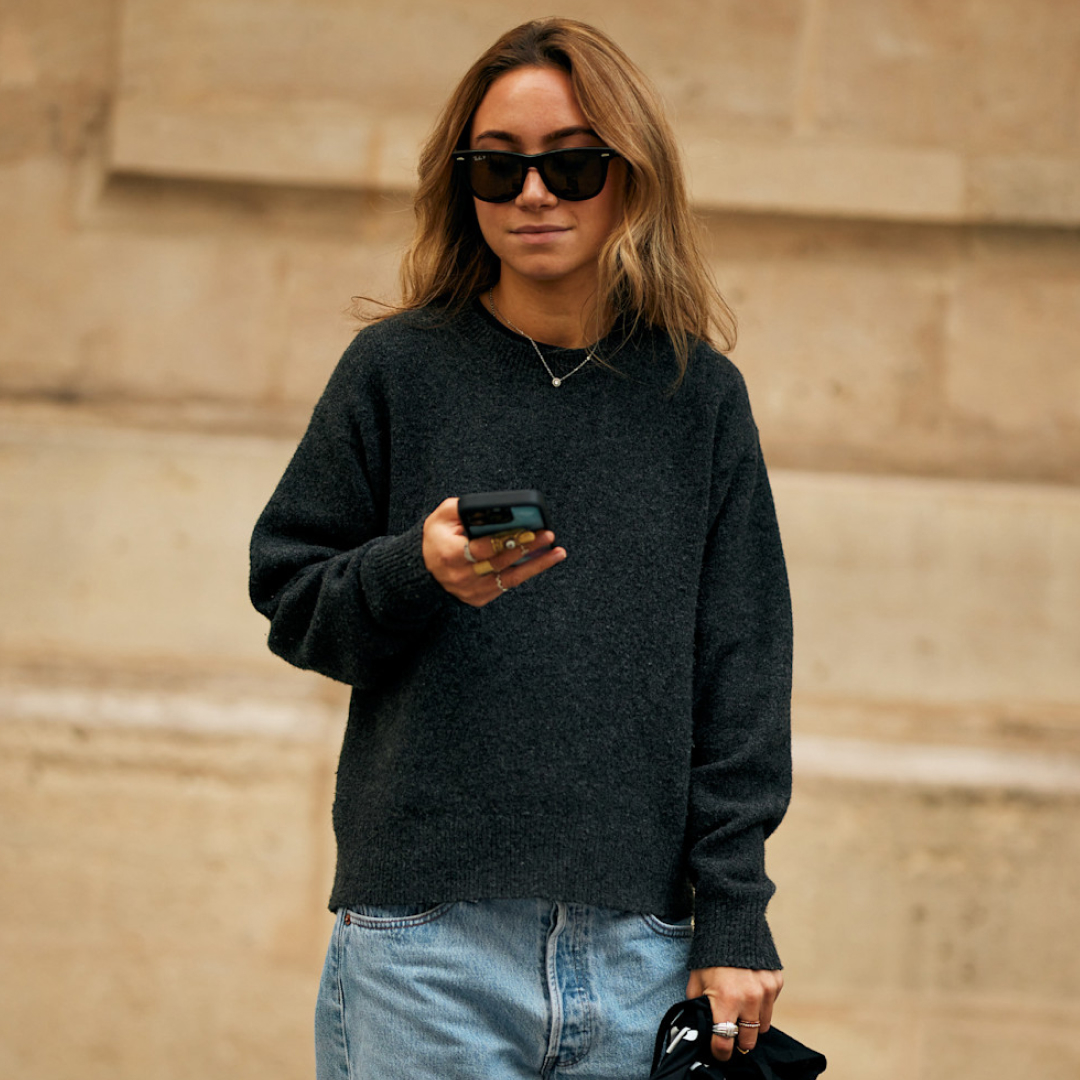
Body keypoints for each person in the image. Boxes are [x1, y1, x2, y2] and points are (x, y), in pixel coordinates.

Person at [249, 16, 792, 1079]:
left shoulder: (698, 399)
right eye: (498, 170)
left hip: (645, 953)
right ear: (466, 186)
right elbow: (291, 597)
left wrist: (736, 921)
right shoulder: (396, 371)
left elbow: (742, 675)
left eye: (571, 164)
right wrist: (419, 570)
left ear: (629, 178)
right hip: (424, 952)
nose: (534, 194)